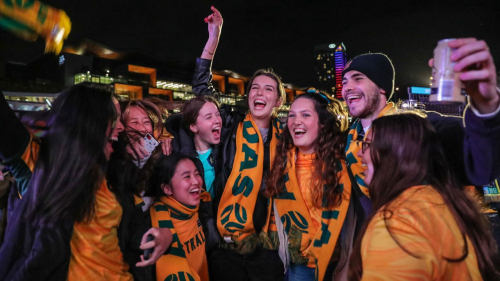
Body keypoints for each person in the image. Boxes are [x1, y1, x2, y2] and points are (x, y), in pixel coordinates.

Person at [0, 84, 168, 280]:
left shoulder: (118, 171)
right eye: (113, 118)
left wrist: (162, 236)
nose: (120, 126)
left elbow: (131, 228)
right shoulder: (39, 162)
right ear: (88, 121)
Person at [341, 38, 500, 207]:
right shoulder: (344, 142)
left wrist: (486, 106)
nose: (347, 87)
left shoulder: (421, 128)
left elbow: (483, 166)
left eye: (357, 78)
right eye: (344, 82)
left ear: (382, 88)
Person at [192, 7, 285, 280]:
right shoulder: (230, 124)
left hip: (266, 245)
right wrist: (214, 37)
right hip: (225, 244)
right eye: (255, 87)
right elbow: (201, 89)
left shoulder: (288, 137)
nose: (259, 92)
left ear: (278, 102)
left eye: (269, 89)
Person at [348, 114, 500, 280]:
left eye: (368, 145)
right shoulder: (447, 204)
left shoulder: (398, 223)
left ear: (397, 154)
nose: (359, 154)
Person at [264, 90, 355, 280]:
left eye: (305, 115)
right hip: (299, 264)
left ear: (322, 123)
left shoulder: (346, 160)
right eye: (292, 115)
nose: (296, 121)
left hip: (337, 263)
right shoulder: (281, 162)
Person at [148, 153, 211, 281]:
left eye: (197, 174)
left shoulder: (197, 207)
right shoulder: (157, 227)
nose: (196, 181)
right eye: (187, 176)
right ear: (167, 189)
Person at [166, 96, 222, 196]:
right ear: (193, 127)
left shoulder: (227, 150)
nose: (217, 120)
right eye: (208, 117)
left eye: (218, 115)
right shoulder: (175, 153)